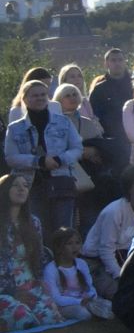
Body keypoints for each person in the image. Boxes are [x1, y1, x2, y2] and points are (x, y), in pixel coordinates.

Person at [4, 79, 84, 232]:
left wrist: (60, 159)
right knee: (36, 230)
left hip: (61, 181)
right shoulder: (15, 128)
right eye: (35, 95)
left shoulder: (64, 122)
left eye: (43, 94)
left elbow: (77, 148)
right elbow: (11, 157)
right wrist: (39, 161)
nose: (40, 98)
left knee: (64, 231)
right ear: (25, 98)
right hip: (30, 185)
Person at [80, 165, 134, 300]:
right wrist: (121, 277)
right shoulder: (114, 212)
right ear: (129, 188)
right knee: (122, 295)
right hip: (97, 262)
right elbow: (105, 250)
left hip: (124, 257)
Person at [1, 170, 63, 332]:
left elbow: (40, 257)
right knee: (25, 320)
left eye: (25, 186)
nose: (21, 189)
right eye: (15, 186)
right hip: (5, 290)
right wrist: (13, 292)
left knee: (51, 319)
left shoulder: (34, 222)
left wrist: (41, 284)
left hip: (31, 286)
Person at [42, 227, 106, 321]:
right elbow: (56, 298)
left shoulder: (81, 263)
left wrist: (92, 295)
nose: (75, 247)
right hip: (64, 306)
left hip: (85, 301)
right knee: (83, 313)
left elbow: (90, 286)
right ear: (59, 247)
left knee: (108, 306)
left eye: (77, 243)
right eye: (69, 243)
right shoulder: (51, 269)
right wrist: (79, 301)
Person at [88, 50, 134, 168]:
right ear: (106, 63)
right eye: (113, 60)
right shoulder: (99, 90)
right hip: (112, 142)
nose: (117, 63)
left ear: (125, 62)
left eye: (120, 60)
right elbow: (93, 118)